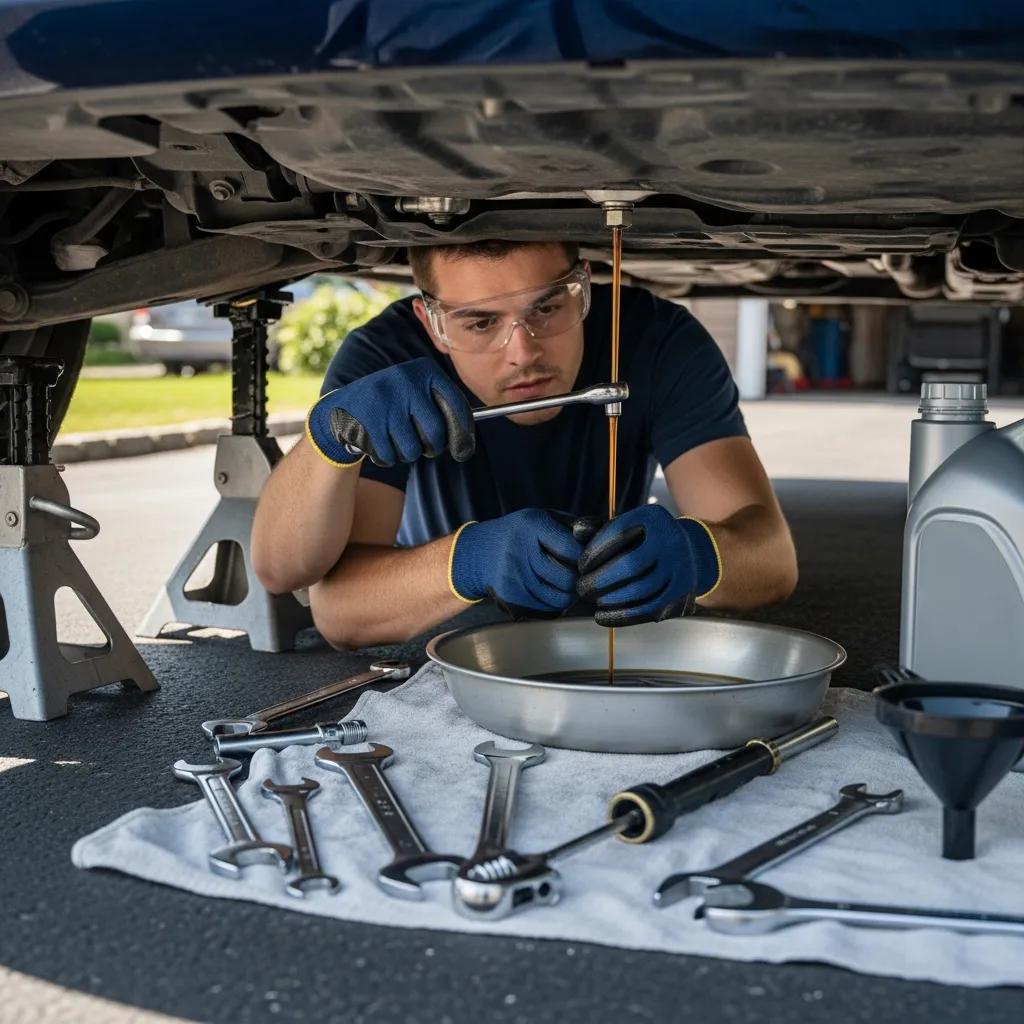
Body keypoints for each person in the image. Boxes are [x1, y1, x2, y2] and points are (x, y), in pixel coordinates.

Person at [251, 241, 797, 648]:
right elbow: (314, 594)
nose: (522, 354)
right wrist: (326, 442)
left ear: (583, 285)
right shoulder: (385, 360)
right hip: (438, 626)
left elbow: (773, 560)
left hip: (609, 627)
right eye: (481, 323)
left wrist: (700, 553)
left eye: (546, 309)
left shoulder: (659, 340)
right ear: (432, 323)